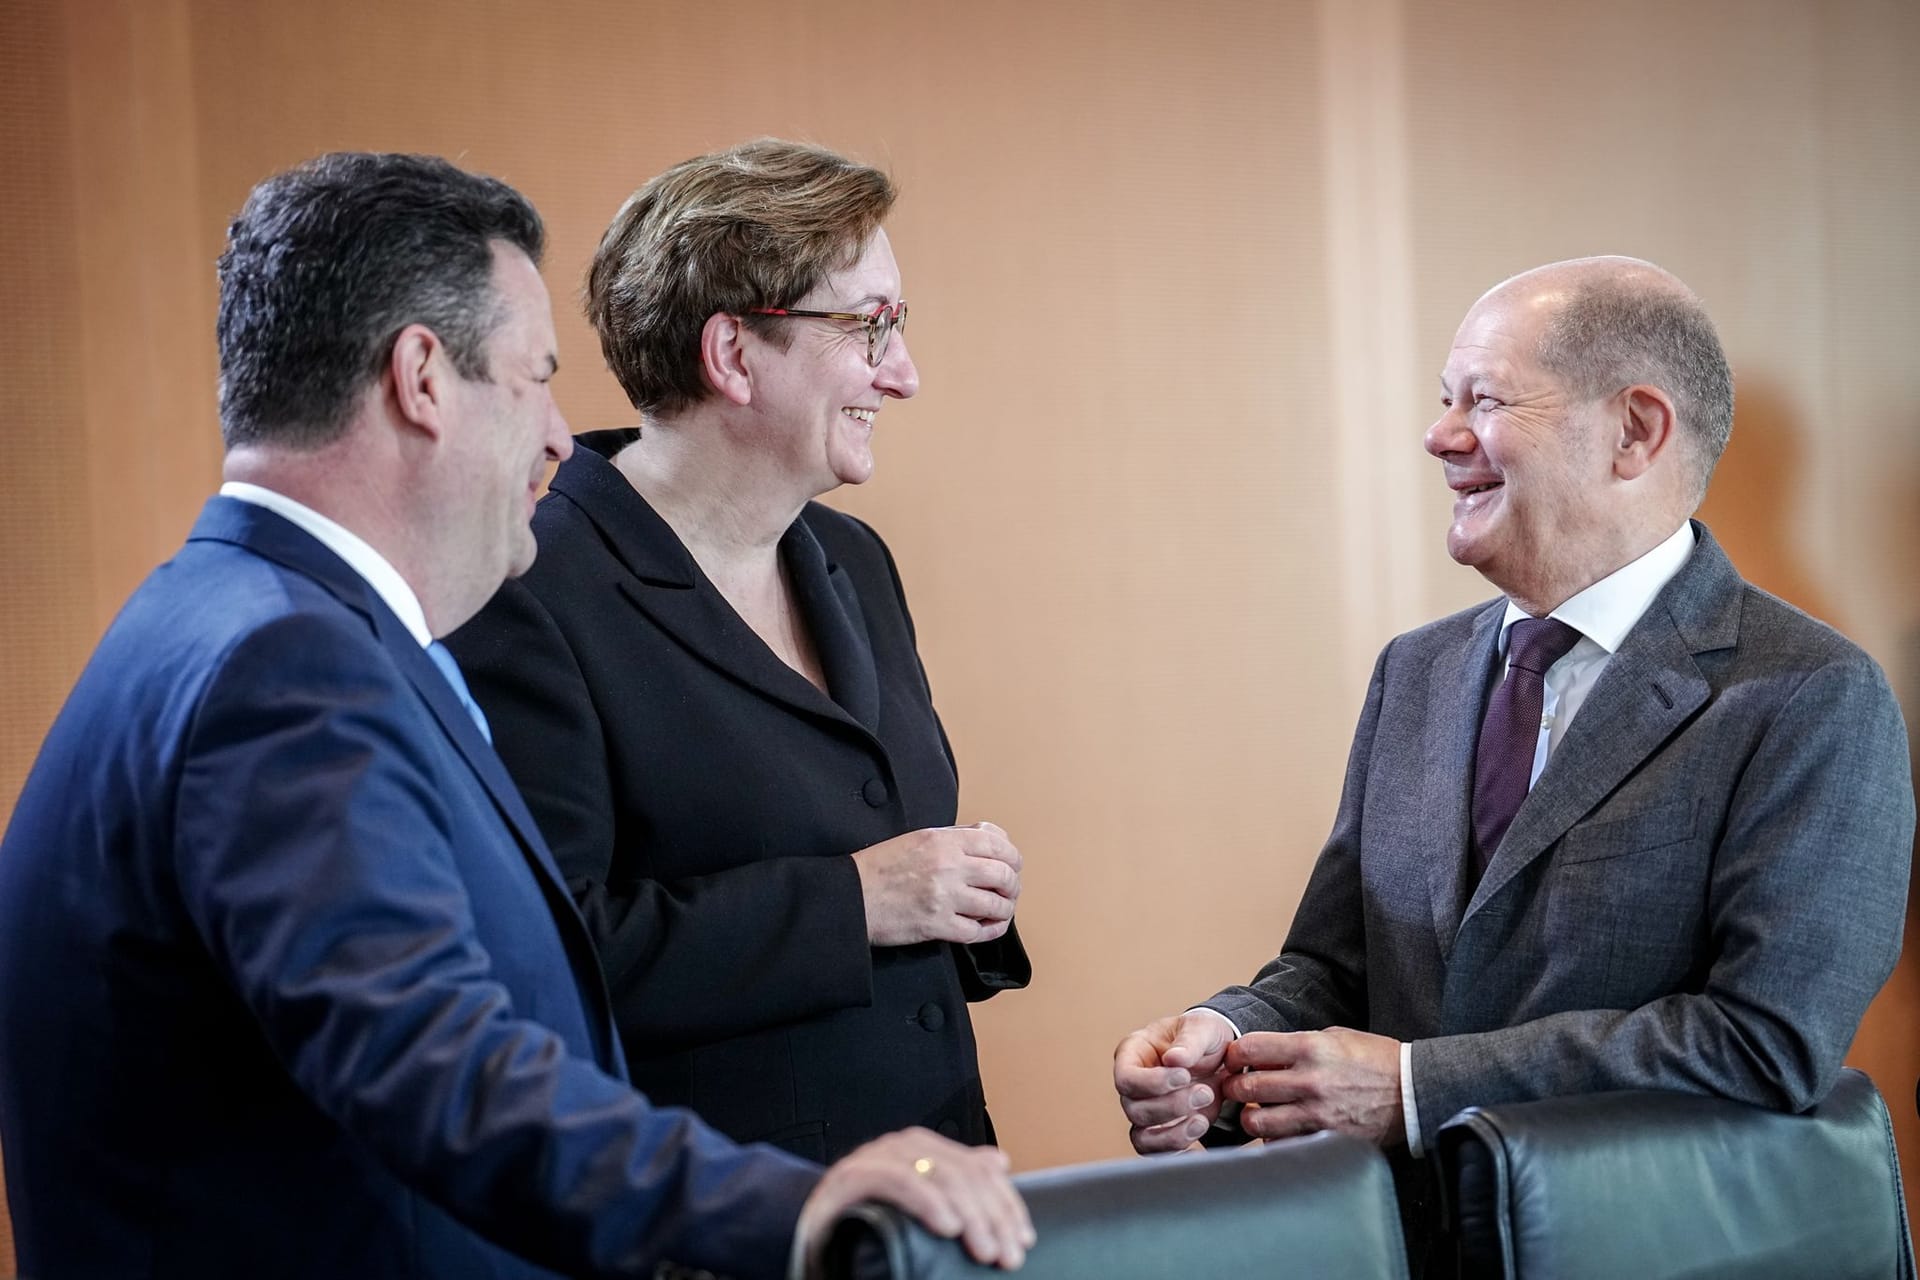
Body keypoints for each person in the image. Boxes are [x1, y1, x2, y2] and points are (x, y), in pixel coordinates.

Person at [0, 151, 1031, 1280]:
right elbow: (435, 1059)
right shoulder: (287, 667)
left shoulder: (229, 614)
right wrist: (786, 1204)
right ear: (423, 378)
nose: (557, 435)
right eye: (534, 378)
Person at [1113, 257, 1912, 1261]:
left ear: (1636, 430)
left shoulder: (1810, 695)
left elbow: (1765, 1040)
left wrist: (1413, 1089)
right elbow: (1335, 966)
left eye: (1483, 401)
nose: (1439, 435)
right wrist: (1219, 1043)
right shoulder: (1417, 671)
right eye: (1444, 399)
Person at [447, 139, 1030, 1164]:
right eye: (871, 326)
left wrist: (958, 892)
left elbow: (876, 839)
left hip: (936, 1193)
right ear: (733, 355)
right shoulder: (532, 595)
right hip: (723, 1221)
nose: (905, 374)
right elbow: (545, 956)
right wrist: (859, 902)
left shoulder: (853, 557)